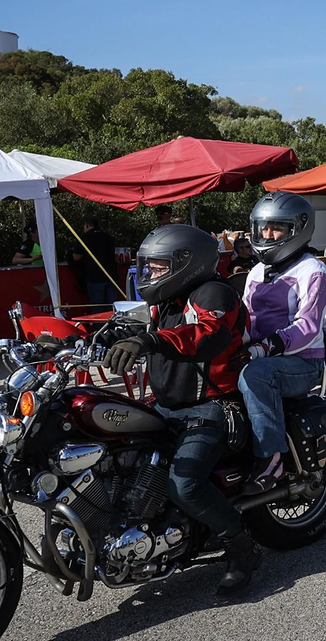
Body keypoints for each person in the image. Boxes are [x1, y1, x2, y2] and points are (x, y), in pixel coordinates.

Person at [96, 223, 260, 593]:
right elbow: (140, 328)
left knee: (184, 484)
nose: (148, 274)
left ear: (187, 263)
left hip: (212, 406)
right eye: (147, 266)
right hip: (167, 404)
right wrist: (106, 335)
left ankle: (241, 547)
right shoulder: (168, 299)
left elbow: (207, 334)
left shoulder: (213, 292)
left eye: (156, 267)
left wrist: (150, 341)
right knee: (115, 458)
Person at [233, 192, 326, 502]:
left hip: (302, 362)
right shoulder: (256, 271)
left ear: (298, 229)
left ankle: (271, 459)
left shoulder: (312, 271)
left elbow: (308, 326)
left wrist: (266, 347)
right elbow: (246, 316)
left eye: (276, 228)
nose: (266, 235)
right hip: (261, 353)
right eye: (262, 227)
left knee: (256, 376)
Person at [72, 218, 118, 306]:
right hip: (111, 276)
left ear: (87, 225)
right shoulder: (108, 237)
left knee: (97, 309)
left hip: (95, 277)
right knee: (112, 309)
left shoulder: (85, 237)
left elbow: (76, 257)